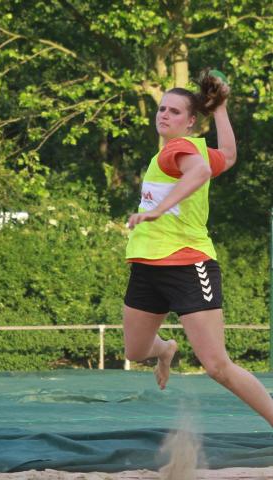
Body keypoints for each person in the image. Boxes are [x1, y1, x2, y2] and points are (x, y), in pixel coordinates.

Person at [123, 69, 273, 426]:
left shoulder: (180, 148)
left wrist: (158, 210)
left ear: (191, 122)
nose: (164, 114)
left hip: (189, 266)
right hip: (147, 266)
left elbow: (200, 173)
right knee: (136, 350)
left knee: (217, 367)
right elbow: (230, 156)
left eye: (175, 112)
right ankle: (166, 350)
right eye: (162, 108)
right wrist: (220, 108)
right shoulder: (187, 151)